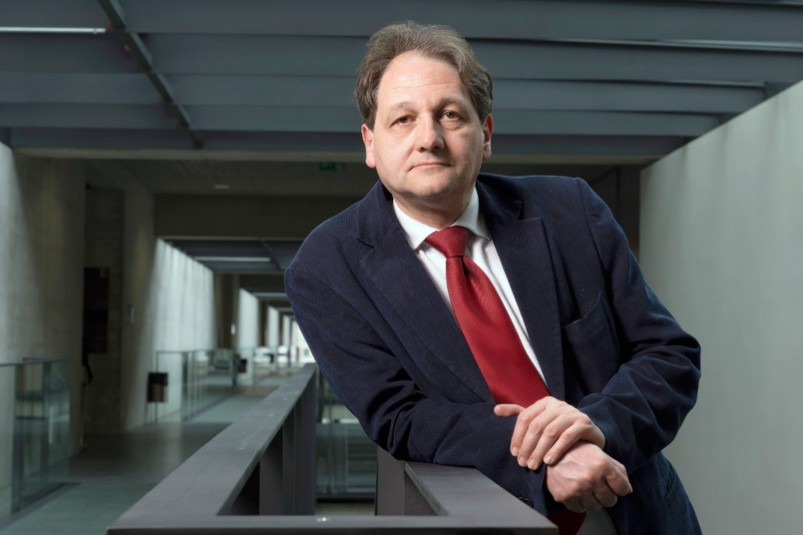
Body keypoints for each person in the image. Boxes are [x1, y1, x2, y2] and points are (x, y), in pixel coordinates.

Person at [285, 21, 701, 535]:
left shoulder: (570, 212)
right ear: (370, 144)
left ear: (485, 135)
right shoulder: (327, 267)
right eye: (403, 120)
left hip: (635, 509)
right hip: (481, 517)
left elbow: (668, 355)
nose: (428, 139)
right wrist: (549, 457)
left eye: (450, 115)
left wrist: (599, 428)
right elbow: (399, 415)